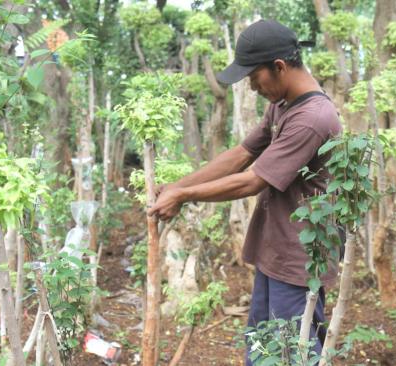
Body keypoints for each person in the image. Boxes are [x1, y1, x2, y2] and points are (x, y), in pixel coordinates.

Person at [147, 19, 343, 364]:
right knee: (261, 348)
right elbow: (241, 155)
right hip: (276, 250)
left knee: (290, 353)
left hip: (299, 260)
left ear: (279, 67)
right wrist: (179, 185)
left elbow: (253, 180)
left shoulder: (313, 117)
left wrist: (183, 196)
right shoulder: (282, 105)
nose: (252, 87)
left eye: (254, 77)